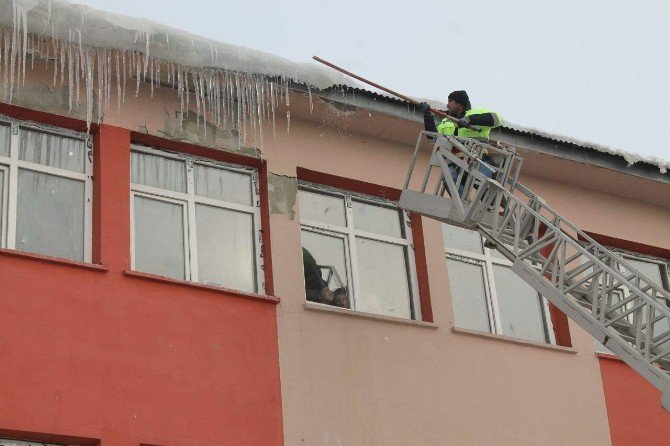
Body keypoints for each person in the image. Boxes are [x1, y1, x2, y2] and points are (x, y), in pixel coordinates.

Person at [418, 91, 502, 194]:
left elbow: (497, 119)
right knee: (448, 177)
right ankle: (463, 206)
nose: (447, 105)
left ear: (459, 104)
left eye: (450, 101)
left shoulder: (474, 114)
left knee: (487, 191)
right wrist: (427, 115)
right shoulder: (446, 122)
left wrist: (469, 120)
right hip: (458, 164)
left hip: (478, 161)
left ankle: (490, 201)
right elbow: (432, 137)